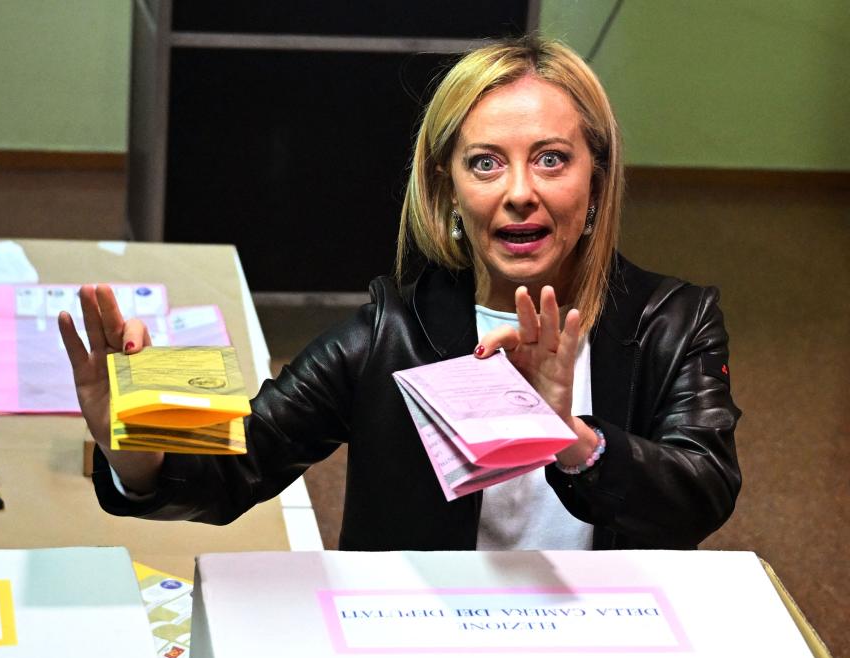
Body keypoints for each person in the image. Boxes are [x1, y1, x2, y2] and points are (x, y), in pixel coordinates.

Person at [59, 35, 741, 551]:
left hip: (614, 646)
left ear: (596, 180)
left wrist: (568, 435)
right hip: (416, 647)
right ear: (446, 190)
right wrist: (138, 445)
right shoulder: (389, 332)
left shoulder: (672, 320)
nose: (521, 192)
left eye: (552, 158)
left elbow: (702, 491)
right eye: (485, 163)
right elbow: (238, 464)